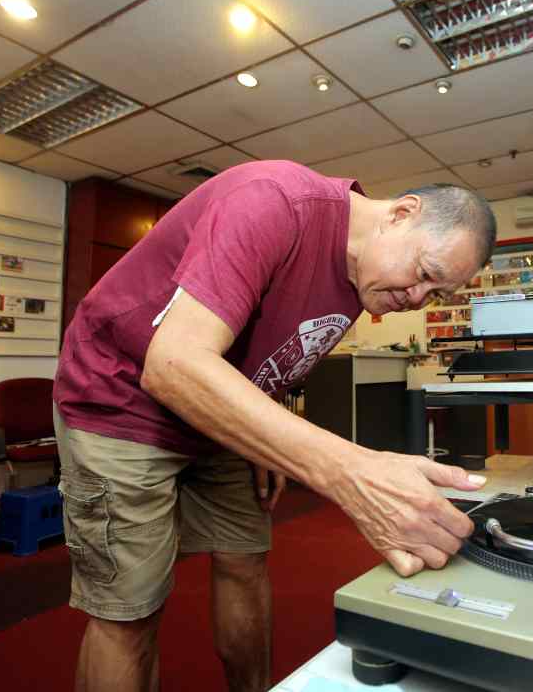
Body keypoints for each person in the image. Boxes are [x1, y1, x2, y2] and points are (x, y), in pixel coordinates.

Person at [52, 159, 497, 692]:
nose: (417, 299)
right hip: (121, 401)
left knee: (245, 559)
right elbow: (173, 364)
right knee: (131, 609)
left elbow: (273, 351)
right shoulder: (273, 200)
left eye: (437, 295)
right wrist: (351, 472)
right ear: (403, 213)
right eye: (425, 274)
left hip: (213, 412)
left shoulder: (367, 274)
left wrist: (268, 440)